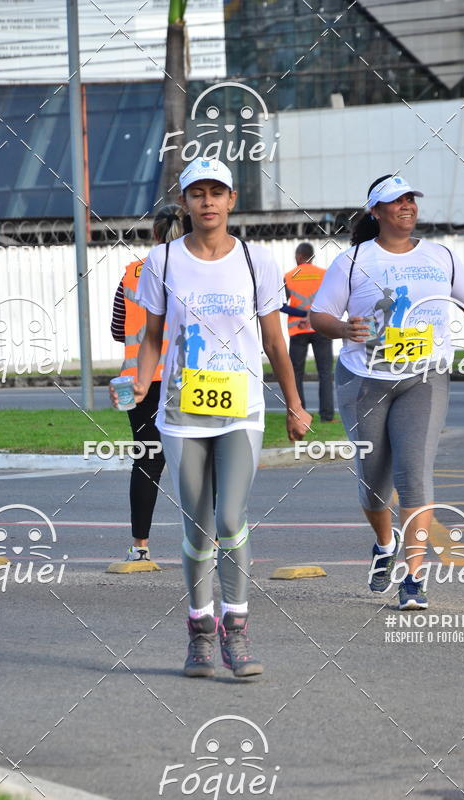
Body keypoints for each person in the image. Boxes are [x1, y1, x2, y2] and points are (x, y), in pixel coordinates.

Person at [134, 158, 311, 678]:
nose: (207, 202)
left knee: (230, 517)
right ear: (184, 202)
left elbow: (276, 341)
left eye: (217, 192)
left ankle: (237, 629)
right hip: (182, 412)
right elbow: (151, 338)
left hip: (242, 410)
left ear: (232, 200)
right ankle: (199, 630)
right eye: (197, 193)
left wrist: (295, 405)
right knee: (197, 525)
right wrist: (142, 381)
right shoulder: (162, 260)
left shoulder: (257, 261)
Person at [310, 174, 464, 611]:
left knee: (414, 476)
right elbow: (319, 314)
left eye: (411, 198)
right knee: (373, 485)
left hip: (424, 378)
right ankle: (383, 542)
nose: (407, 206)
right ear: (376, 211)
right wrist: (342, 327)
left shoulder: (441, 256)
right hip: (364, 379)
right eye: (396, 201)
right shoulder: (354, 261)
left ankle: (413, 578)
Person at [110, 205, 184, 562]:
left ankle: (140, 547)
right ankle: (213, 544)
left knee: (146, 459)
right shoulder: (193, 269)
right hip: (183, 377)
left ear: (154, 234)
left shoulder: (131, 273)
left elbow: (116, 329)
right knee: (197, 461)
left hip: (137, 380)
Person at [281, 242, 334, 421]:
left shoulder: (289, 276)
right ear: (312, 257)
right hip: (322, 328)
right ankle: (327, 416)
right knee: (325, 373)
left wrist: (302, 314)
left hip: (298, 329)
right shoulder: (325, 275)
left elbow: (280, 305)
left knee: (295, 373)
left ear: (298, 256)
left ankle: (299, 413)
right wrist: (313, 315)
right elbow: (331, 301)